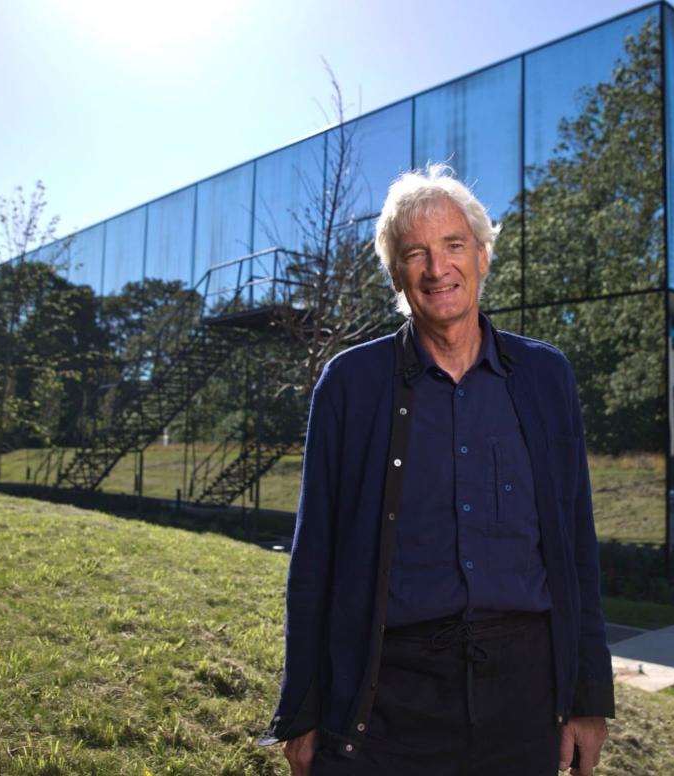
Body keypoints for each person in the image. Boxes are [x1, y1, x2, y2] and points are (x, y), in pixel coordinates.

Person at [261, 164, 614, 775]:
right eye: (415, 253)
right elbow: (314, 554)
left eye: (453, 245)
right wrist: (302, 707)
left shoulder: (545, 377)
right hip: (388, 700)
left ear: (482, 255)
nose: (437, 267)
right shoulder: (350, 384)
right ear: (398, 275)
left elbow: (576, 545)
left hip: (522, 697)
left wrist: (587, 696)